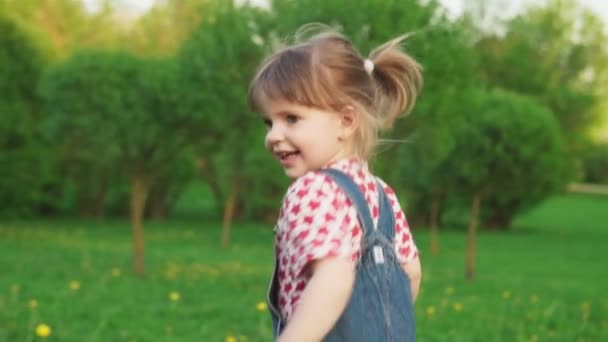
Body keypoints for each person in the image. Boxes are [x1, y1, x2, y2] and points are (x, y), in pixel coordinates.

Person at [248, 24, 423, 341]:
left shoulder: (312, 190)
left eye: (291, 118)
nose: (273, 136)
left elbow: (334, 276)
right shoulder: (382, 194)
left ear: (346, 121)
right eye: (268, 121)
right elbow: (410, 273)